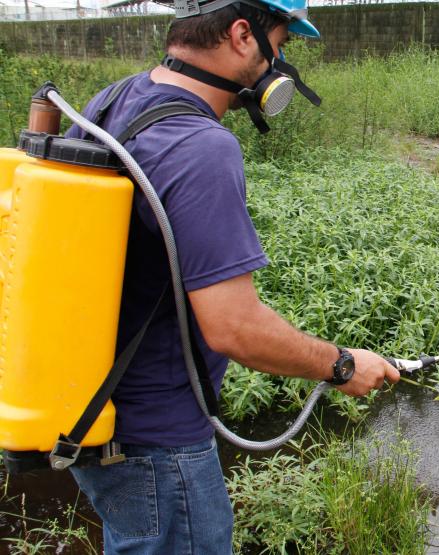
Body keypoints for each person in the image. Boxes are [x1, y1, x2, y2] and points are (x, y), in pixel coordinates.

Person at [64, 0, 399, 552]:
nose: (281, 66)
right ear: (244, 35)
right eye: (282, 45)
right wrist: (341, 365)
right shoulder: (200, 147)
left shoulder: (118, 97)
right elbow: (235, 328)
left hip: (94, 413)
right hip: (159, 442)